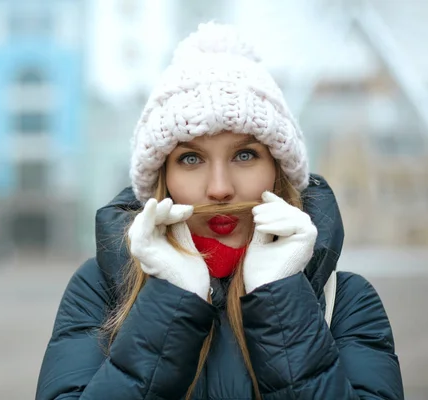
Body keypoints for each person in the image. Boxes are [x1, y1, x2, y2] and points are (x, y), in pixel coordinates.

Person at [36, 22, 403, 400]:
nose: (220, 188)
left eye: (245, 155)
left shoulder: (346, 300)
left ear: (279, 169)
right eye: (191, 158)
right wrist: (172, 302)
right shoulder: (102, 289)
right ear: (161, 175)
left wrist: (280, 299)